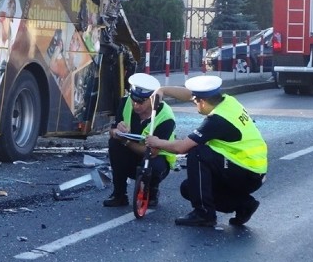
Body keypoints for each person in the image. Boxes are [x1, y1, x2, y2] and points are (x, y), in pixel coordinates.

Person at [146, 75, 267, 227]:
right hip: (249, 169)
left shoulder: (217, 120)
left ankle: (204, 214)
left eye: (195, 102)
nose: (193, 103)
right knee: (189, 188)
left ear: (202, 102)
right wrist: (162, 90)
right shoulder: (227, 101)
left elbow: (181, 147)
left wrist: (157, 142)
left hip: (246, 173)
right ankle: (244, 205)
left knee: (197, 152)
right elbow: (190, 95)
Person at [103, 73, 176, 208]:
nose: (136, 105)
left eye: (141, 102)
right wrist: (116, 131)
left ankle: (151, 192)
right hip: (131, 157)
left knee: (155, 164)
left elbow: (152, 152)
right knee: (114, 144)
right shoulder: (125, 102)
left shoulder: (166, 117)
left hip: (155, 160)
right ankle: (119, 194)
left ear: (153, 99)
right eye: (133, 100)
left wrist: (126, 142)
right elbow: (112, 131)